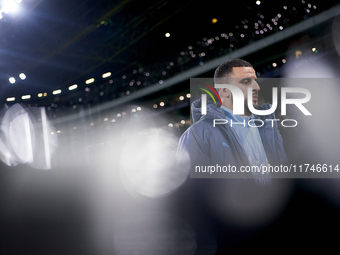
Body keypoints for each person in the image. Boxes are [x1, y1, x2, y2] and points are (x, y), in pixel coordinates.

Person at [177, 59, 288, 183]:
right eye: (246, 82)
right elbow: (192, 193)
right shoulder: (196, 134)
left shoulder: (267, 125)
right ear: (224, 90)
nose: (257, 87)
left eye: (255, 81)